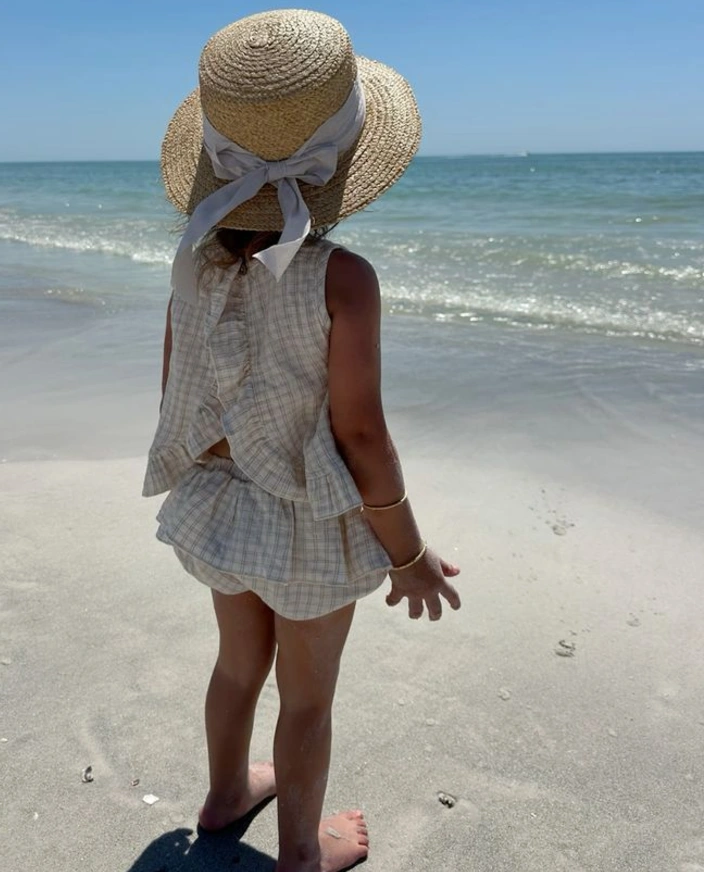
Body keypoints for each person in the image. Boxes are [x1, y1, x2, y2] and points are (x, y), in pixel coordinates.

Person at [144, 10, 461, 872]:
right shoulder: (343, 278)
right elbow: (361, 433)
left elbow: (181, 390)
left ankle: (223, 796)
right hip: (309, 528)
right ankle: (299, 852)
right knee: (308, 700)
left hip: (222, 505)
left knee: (237, 666)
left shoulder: (194, 263)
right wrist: (408, 553)